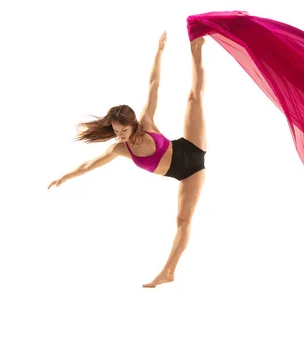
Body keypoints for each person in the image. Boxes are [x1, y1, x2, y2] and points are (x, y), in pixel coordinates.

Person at [48, 31, 207, 288]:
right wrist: (66, 176)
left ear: (132, 124)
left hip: (191, 149)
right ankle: (168, 272)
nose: (119, 135)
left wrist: (159, 51)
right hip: (188, 174)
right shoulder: (120, 150)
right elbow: (90, 165)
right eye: (115, 131)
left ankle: (197, 46)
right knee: (182, 221)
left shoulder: (146, 122)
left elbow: (154, 84)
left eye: (122, 130)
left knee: (194, 98)